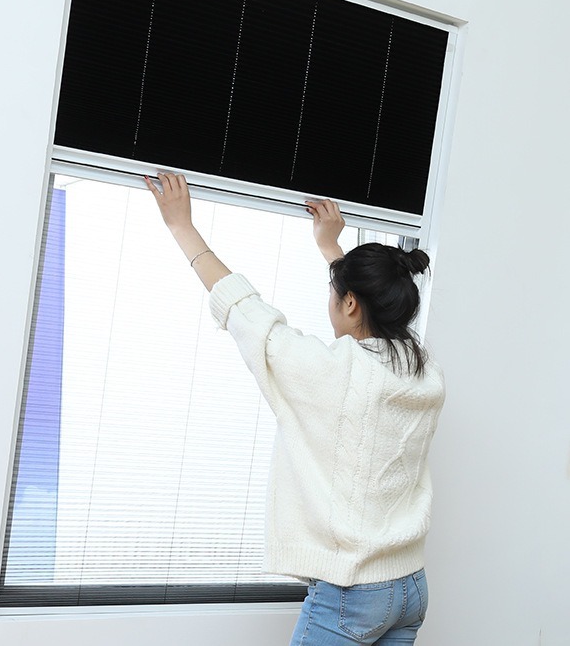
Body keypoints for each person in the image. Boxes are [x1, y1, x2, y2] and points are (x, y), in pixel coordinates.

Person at [144, 172, 445, 645]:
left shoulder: (333, 372)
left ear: (350, 302)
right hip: (410, 588)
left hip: (353, 593)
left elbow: (245, 310)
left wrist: (182, 226)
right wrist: (332, 249)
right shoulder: (424, 371)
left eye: (336, 294)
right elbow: (375, 317)